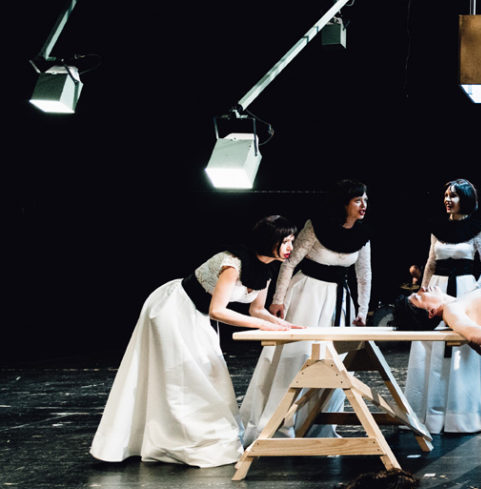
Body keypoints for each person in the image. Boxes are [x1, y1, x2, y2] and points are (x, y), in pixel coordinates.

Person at [90, 216, 300, 468]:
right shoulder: (233, 264)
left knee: (207, 373)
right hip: (174, 309)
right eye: (285, 241)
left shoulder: (265, 270)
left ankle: (190, 433)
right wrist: (262, 325)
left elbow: (257, 310)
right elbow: (217, 311)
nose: (290, 247)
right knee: (183, 373)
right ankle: (173, 438)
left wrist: (284, 324)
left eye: (292, 241)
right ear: (269, 241)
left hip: (196, 316)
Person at [240, 180, 372, 444]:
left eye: (366, 200)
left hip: (338, 301)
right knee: (296, 357)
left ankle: (318, 425)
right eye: (358, 200)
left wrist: (362, 310)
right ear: (344, 203)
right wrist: (278, 300)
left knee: (334, 362)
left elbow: (364, 274)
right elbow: (289, 263)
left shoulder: (362, 234)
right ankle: (278, 425)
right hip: (306, 294)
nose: (364, 205)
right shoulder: (317, 226)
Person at [405, 179, 481, 434]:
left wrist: (476, 290)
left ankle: (461, 415)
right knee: (432, 346)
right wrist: (423, 290)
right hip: (437, 287)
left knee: (464, 347)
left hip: (464, 289)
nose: (448, 199)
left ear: (466, 199)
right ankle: (431, 415)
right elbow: (430, 262)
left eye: (454, 195)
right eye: (446, 195)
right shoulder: (437, 227)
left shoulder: (476, 229)